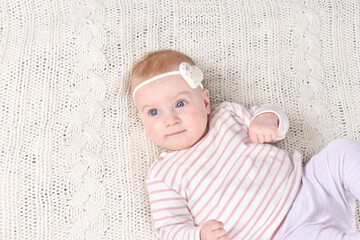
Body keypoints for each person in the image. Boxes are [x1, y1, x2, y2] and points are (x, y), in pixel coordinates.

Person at [131, 49, 360, 240]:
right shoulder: (163, 174)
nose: (170, 120)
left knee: (342, 151)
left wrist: (267, 119)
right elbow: (168, 230)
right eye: (153, 112)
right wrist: (199, 235)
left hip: (308, 184)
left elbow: (269, 116)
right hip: (277, 233)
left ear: (206, 101)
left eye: (180, 103)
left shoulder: (226, 115)